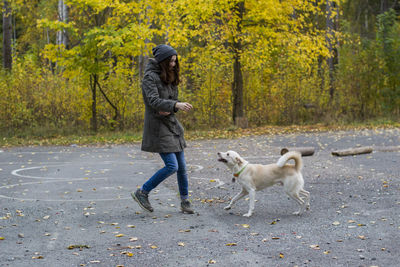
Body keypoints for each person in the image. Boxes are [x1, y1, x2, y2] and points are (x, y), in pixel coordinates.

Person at [131, 44, 195, 214]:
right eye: (171, 61)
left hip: (172, 125)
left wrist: (172, 106)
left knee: (182, 167)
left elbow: (168, 101)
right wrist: (175, 105)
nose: (174, 64)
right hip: (158, 127)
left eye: (175, 61)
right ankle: (142, 192)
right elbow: (153, 101)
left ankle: (185, 201)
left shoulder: (169, 75)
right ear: (163, 61)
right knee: (172, 166)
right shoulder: (149, 78)